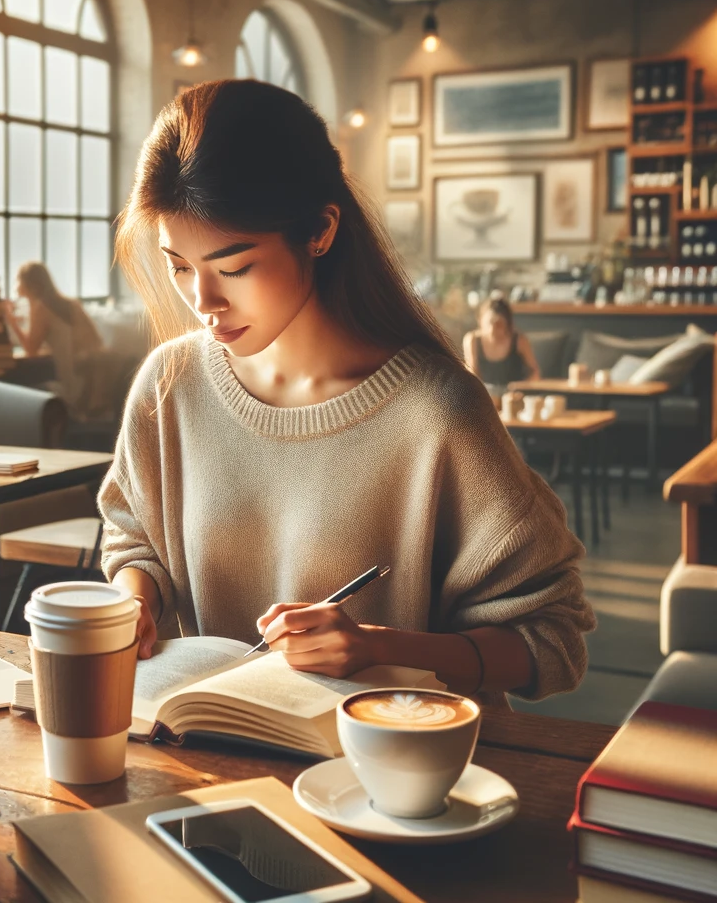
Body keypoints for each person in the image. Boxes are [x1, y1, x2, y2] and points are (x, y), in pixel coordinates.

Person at [99, 80, 594, 703]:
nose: (203, 302)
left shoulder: (437, 413)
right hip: (209, 764)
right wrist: (133, 603)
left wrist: (378, 649)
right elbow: (135, 541)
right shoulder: (169, 386)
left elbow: (553, 639)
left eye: (234, 267)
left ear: (321, 231)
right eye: (179, 266)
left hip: (393, 777)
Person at [5, 261, 104, 413]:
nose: (16, 285)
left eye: (18, 280)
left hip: (69, 388)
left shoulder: (40, 307)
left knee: (15, 391)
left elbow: (31, 350)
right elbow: (94, 341)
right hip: (90, 387)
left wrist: (12, 322)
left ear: (31, 284)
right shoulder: (71, 304)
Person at [463, 295, 540, 391]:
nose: (492, 330)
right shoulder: (472, 340)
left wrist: (523, 387)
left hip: (514, 396)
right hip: (485, 395)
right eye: (489, 323)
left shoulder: (519, 340)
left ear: (507, 325)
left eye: (498, 324)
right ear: (480, 321)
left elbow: (535, 372)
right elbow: (471, 374)